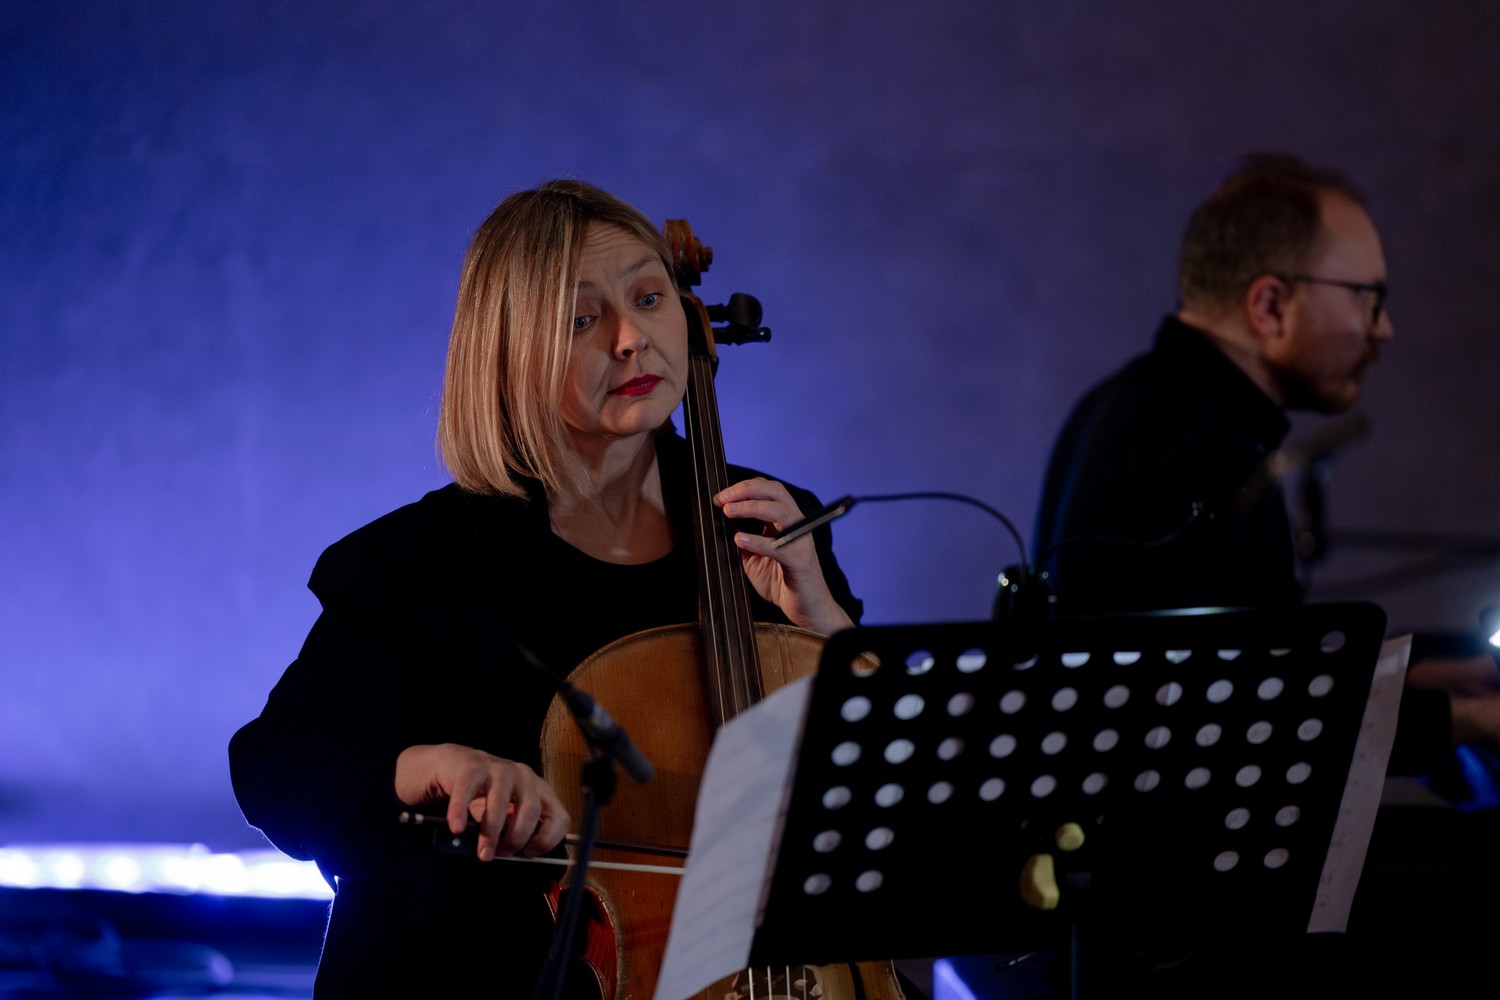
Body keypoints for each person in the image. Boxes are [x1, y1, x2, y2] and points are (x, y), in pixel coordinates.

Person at [228, 179, 866, 996]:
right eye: (582, 319)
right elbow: (280, 769)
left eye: (650, 298)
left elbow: (875, 792)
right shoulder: (415, 565)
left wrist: (823, 622)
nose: (633, 339)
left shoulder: (769, 526)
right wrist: (436, 765)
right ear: (510, 355)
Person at [1031, 152, 1500, 995]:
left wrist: (1412, 683)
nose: (1385, 329)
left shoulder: (1129, 403)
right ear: (1271, 305)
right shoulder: (1206, 454)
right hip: (1181, 928)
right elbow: (1247, 723)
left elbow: (1232, 677)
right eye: (1368, 297)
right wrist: (1463, 721)